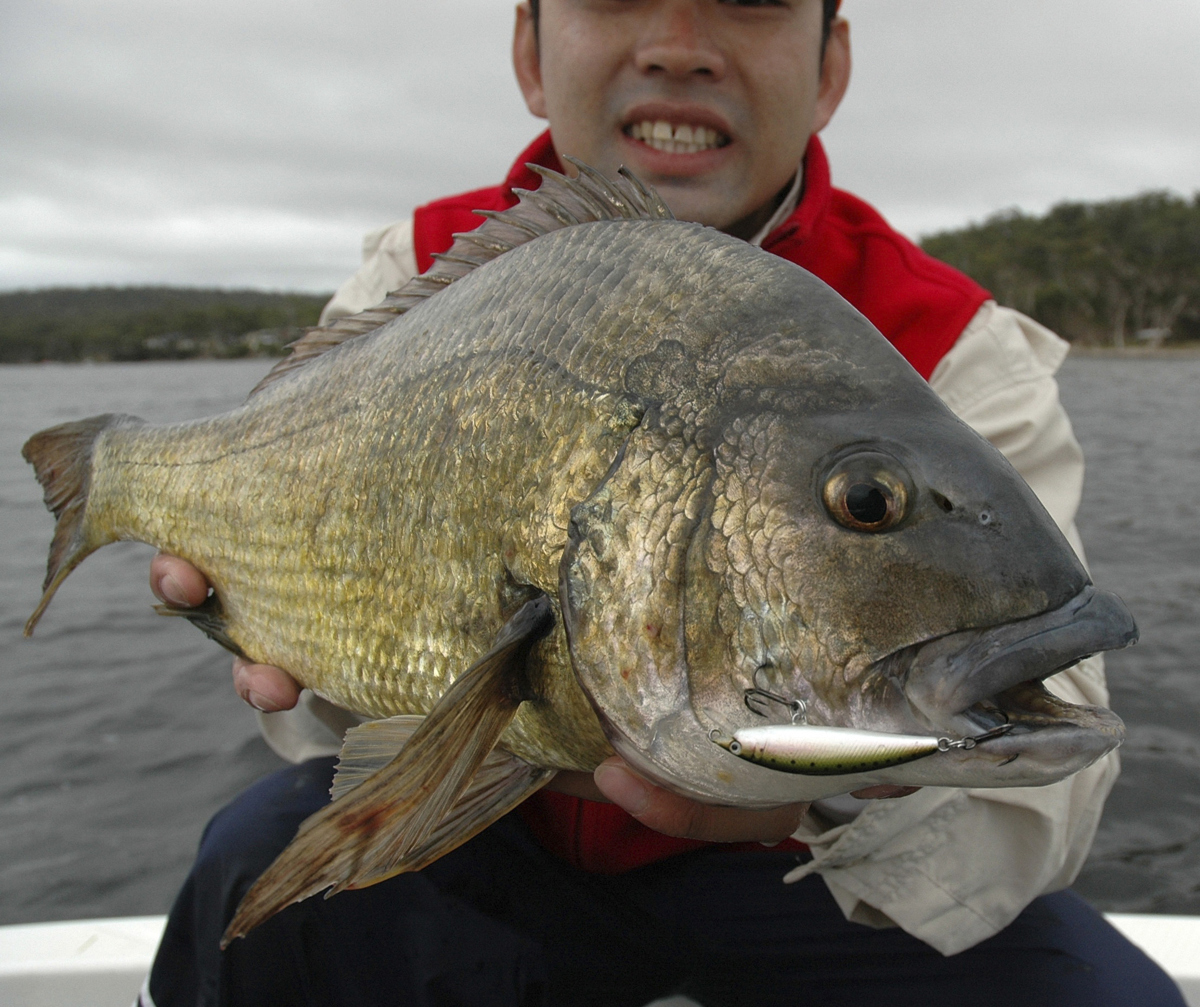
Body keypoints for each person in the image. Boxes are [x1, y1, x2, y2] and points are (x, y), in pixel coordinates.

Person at [141, 2, 1185, 1005]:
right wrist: (268, 608)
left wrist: (827, 783)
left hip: (807, 877)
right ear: (529, 48)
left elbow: (1059, 782)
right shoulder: (414, 277)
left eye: (752, 0)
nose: (680, 46)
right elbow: (316, 698)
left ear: (828, 67)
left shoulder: (962, 350)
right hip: (482, 848)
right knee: (252, 871)